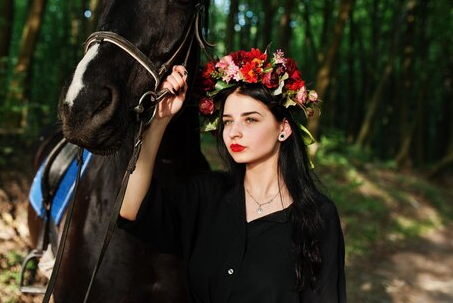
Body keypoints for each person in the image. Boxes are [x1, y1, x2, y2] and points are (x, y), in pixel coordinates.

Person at [118, 48, 346, 303]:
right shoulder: (207, 194)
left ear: (283, 128)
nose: (234, 132)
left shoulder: (317, 216)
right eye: (227, 121)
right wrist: (160, 120)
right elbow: (131, 209)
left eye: (250, 120)